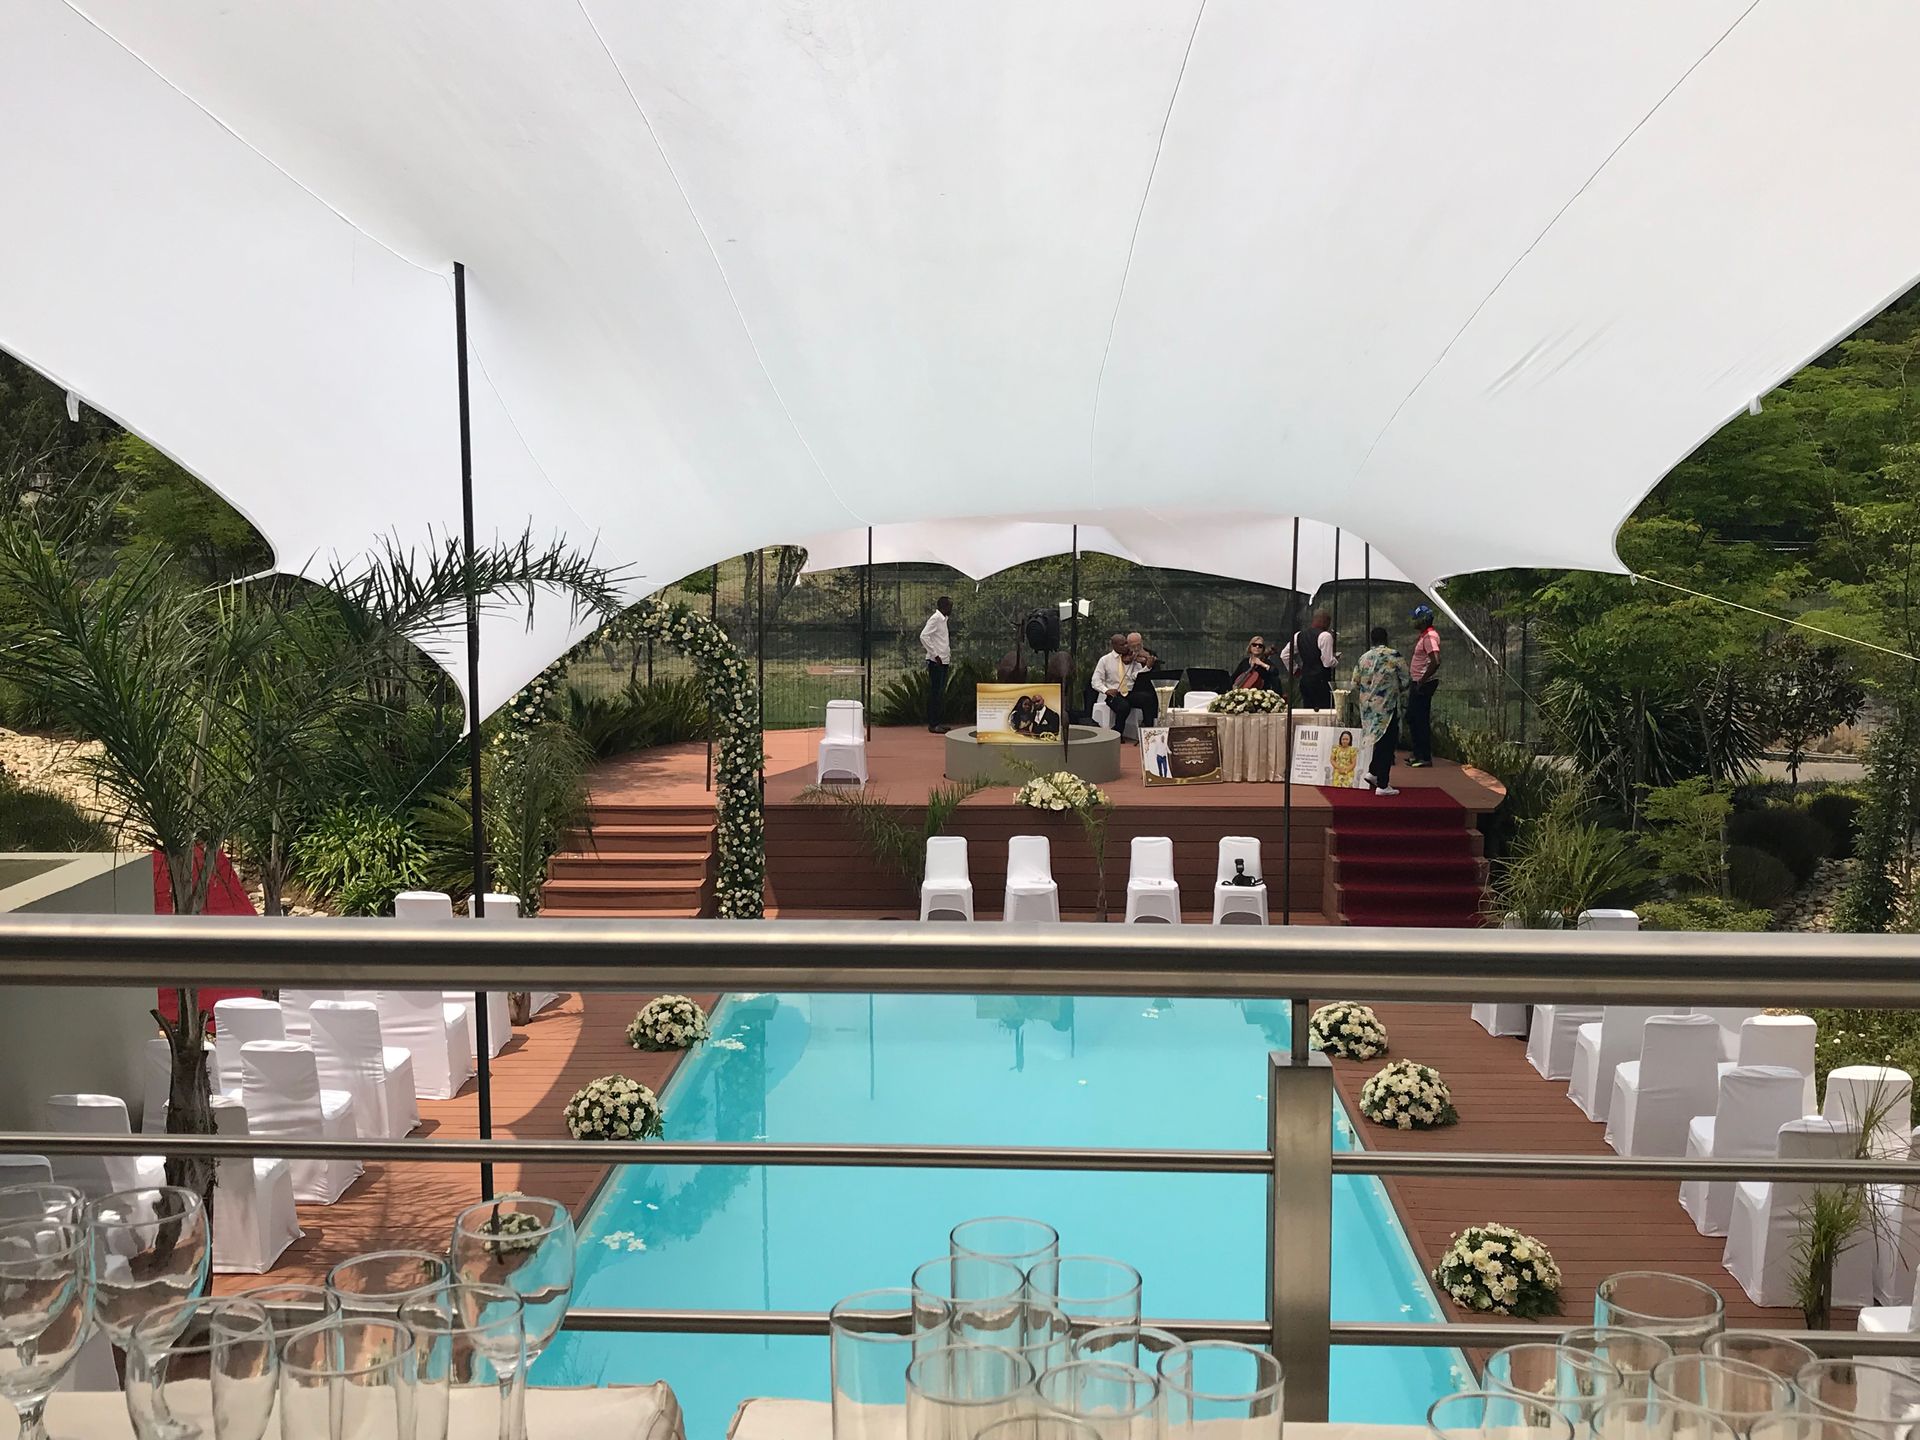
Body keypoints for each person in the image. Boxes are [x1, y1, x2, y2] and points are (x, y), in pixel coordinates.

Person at [1353, 625, 1410, 797]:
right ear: (1386, 639)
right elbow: (1406, 679)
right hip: (1387, 708)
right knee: (1388, 743)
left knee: (1379, 740)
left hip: (1369, 709)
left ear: (1372, 640)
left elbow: (1355, 682)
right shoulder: (1394, 656)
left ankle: (1373, 772)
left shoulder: (1363, 658)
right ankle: (1383, 784)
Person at [1280, 609, 1338, 709]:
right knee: (1324, 710)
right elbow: (1327, 662)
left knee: (1308, 709)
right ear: (1325, 621)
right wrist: (1335, 660)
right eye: (1328, 622)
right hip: (1322, 681)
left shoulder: (1298, 635)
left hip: (1305, 679)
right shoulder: (1325, 636)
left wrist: (1295, 670)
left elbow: (1284, 655)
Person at [1407, 603, 1441, 767]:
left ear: (1424, 620)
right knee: (1412, 718)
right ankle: (1417, 753)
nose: (1414, 621)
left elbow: (1435, 661)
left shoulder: (1430, 637)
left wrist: (1422, 680)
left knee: (1420, 719)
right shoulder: (1424, 636)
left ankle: (1424, 756)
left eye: (1416, 618)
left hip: (1423, 684)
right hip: (1418, 682)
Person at [1091, 634, 1136, 737]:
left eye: (1126, 643)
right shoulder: (1105, 660)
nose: (1126, 646)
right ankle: (1117, 733)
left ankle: (1148, 730)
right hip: (1113, 694)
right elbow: (1095, 681)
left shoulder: (1132, 658)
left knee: (1147, 699)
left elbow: (1137, 675)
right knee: (1123, 706)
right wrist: (1106, 690)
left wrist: (1146, 667)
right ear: (1114, 645)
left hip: (1130, 692)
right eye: (1122, 645)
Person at [921, 596, 953, 734]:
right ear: (943, 607)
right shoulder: (935, 619)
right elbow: (924, 636)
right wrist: (935, 655)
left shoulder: (944, 620)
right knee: (935, 693)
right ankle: (933, 724)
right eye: (949, 606)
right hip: (936, 662)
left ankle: (938, 722)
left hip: (944, 660)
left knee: (940, 693)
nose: (951, 609)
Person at [1123, 631, 1162, 726]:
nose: (1136, 648)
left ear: (1142, 643)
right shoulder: (1125, 656)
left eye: (1138, 645)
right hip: (1130, 690)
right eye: (1133, 646)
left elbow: (1156, 673)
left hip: (1147, 686)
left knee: (1157, 694)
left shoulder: (1150, 653)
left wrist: (1148, 661)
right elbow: (1132, 676)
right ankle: (1148, 724)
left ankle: (1155, 722)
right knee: (1147, 698)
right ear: (1128, 645)